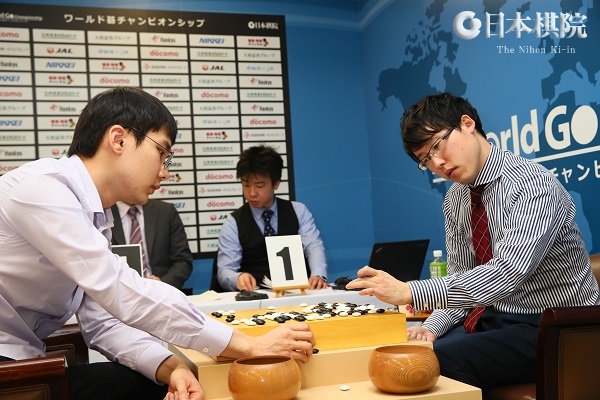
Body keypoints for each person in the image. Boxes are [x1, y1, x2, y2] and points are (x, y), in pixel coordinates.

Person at [0, 87, 315, 400]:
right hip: (11, 366)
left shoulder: (94, 217)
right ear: (119, 140)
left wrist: (170, 366)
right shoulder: (43, 190)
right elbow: (121, 290)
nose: (165, 172)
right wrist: (248, 345)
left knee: (163, 383)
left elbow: (103, 321)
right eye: (162, 153)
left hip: (23, 360)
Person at [347, 92, 600, 391]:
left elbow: (507, 273)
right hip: (496, 317)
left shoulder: (533, 185)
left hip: (559, 326)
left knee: (427, 364)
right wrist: (430, 327)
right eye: (425, 160)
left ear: (467, 124)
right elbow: (462, 280)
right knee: (408, 352)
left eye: (437, 146)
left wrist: (409, 291)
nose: (438, 163)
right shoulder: (455, 198)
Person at [216, 145, 328, 292]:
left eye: (259, 185)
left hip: (298, 293)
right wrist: (238, 278)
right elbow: (225, 270)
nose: (252, 193)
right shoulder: (233, 222)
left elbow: (313, 246)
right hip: (256, 296)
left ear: (276, 183)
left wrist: (318, 275)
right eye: (246, 185)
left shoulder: (298, 211)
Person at [111, 199, 193, 290]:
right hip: (119, 292)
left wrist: (162, 284)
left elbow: (182, 260)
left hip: (161, 293)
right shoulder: (104, 213)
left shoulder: (165, 211)